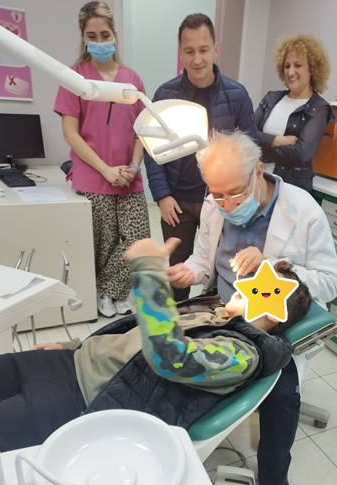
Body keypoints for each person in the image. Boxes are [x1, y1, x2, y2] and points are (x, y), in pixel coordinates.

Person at [0, 237, 312, 461]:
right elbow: (135, 333)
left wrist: (149, 272)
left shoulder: (242, 356)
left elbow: (169, 356)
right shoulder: (217, 312)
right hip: (72, 361)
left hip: (85, 398)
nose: (247, 282)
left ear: (274, 314)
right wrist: (73, 346)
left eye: (262, 286)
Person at [167, 130, 337, 485]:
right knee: (175, 361)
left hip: (270, 322)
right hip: (221, 309)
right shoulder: (215, 206)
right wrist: (187, 271)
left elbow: (330, 283)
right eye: (217, 195)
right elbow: (204, 261)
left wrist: (273, 264)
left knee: (282, 396)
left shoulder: (304, 210)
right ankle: (177, 458)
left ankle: (274, 480)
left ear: (258, 171)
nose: (226, 205)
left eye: (234, 193)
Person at [144, 13, 257, 301]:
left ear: (215, 49)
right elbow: (152, 150)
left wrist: (238, 199)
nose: (197, 59)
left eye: (204, 50)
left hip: (221, 202)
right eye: (189, 51)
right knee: (179, 273)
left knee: (222, 269)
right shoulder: (165, 94)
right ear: (180, 52)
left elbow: (250, 150)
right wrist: (161, 195)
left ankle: (216, 320)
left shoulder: (237, 95)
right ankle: (178, 321)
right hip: (177, 202)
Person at [54, 1, 150, 319]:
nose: (99, 42)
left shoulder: (131, 79)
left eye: (104, 35)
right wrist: (106, 170)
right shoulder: (75, 77)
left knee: (138, 239)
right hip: (94, 176)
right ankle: (108, 292)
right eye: (91, 36)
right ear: (83, 37)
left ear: (115, 34)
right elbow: (71, 133)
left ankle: (111, 289)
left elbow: (142, 130)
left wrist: (134, 166)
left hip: (129, 175)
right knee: (104, 243)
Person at [255, 34, 333, 193]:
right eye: (287, 66)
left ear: (313, 68)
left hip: (290, 190)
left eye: (297, 65)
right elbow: (247, 134)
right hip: (258, 183)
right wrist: (277, 140)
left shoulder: (319, 107)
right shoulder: (271, 98)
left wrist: (262, 152)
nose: (291, 72)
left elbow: (301, 153)